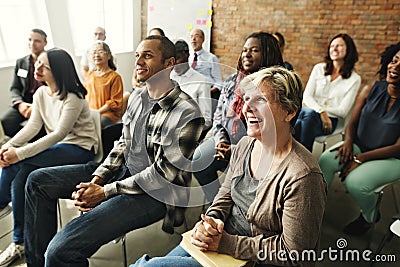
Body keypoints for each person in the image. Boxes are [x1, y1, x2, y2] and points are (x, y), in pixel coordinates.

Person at [24, 35, 204, 267]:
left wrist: (104, 191)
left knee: (60, 252)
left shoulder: (187, 112)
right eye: (138, 55)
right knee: (37, 181)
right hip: (123, 174)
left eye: (147, 56)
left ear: (169, 64)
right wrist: (97, 180)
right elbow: (122, 144)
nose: (138, 61)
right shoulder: (138, 97)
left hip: (156, 194)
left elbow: (163, 174)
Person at [131, 66, 327, 267]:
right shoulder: (245, 145)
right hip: (223, 241)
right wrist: (212, 221)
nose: (246, 107)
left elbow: (295, 253)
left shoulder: (303, 176)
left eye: (261, 100)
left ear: (289, 112)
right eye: (248, 98)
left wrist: (227, 243)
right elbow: (225, 194)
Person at [0, 48, 97, 267]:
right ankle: (20, 242)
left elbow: (58, 134)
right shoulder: (41, 94)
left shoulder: (73, 97)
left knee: (20, 161)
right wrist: (9, 146)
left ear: (58, 71)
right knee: (21, 171)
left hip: (80, 149)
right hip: (60, 148)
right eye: (38, 63)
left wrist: (19, 153)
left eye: (44, 66)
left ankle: (1, 200)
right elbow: (34, 127)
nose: (37, 67)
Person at [318, 42, 400, 236]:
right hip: (358, 145)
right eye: (394, 61)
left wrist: (359, 159)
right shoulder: (371, 88)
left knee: (355, 182)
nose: (395, 67)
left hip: (392, 158)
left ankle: (369, 216)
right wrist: (347, 142)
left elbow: (398, 147)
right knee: (326, 161)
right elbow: (352, 122)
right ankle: (314, 208)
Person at [192, 32, 284, 201]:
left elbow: (271, 133)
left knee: (244, 183)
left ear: (268, 53)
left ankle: (237, 205)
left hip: (260, 148)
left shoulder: (276, 88)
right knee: (198, 161)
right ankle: (216, 200)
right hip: (226, 140)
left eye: (254, 50)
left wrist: (235, 151)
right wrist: (221, 141)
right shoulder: (231, 81)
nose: (246, 55)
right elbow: (219, 116)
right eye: (244, 50)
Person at [294, 33, 361, 152]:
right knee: (307, 116)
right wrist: (321, 111)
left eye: (339, 46)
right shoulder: (319, 68)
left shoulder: (354, 79)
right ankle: (304, 157)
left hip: (330, 122)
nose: (334, 49)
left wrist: (319, 110)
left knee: (300, 121)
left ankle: (296, 155)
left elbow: (343, 111)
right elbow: (307, 96)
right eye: (332, 46)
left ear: (348, 50)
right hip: (308, 114)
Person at [0, 29, 47, 139]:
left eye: (37, 41)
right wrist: (20, 104)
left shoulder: (51, 61)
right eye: (30, 40)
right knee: (5, 123)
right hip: (24, 103)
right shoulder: (21, 62)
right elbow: (15, 88)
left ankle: (39, 141)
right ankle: (29, 139)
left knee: (44, 127)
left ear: (45, 43)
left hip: (44, 103)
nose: (32, 44)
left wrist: (36, 107)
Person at [171, 39, 213, 136]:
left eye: (178, 59)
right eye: (172, 61)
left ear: (187, 54)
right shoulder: (167, 78)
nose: (174, 64)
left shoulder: (202, 81)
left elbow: (207, 120)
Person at [84, 41, 123, 128]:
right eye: (94, 52)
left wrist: (97, 112)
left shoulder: (115, 77)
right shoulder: (90, 74)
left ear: (108, 56)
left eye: (100, 52)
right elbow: (85, 95)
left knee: (94, 125)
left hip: (107, 114)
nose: (97, 55)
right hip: (91, 112)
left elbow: (114, 102)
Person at [189, 28, 223, 114]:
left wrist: (208, 91)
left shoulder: (211, 58)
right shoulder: (187, 58)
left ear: (203, 40)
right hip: (192, 93)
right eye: (191, 36)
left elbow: (218, 82)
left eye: (196, 36)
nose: (193, 39)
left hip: (208, 93)